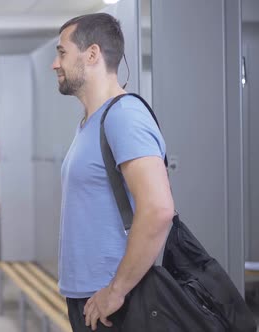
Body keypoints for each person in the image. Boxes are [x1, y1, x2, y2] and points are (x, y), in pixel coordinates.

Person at [52, 13, 175, 331]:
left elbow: (158, 209)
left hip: (116, 301)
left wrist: (116, 290)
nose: (55, 63)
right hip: (91, 296)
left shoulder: (125, 116)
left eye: (62, 52)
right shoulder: (90, 122)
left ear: (91, 54)